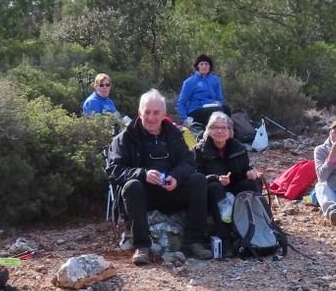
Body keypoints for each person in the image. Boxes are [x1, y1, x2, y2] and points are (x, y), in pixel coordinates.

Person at [107, 89, 212, 265]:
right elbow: (113, 170)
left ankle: (194, 241)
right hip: (143, 196)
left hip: (171, 190)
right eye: (146, 112)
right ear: (139, 112)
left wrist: (176, 176)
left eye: (156, 113)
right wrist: (143, 174)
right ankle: (142, 246)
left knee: (198, 180)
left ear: (164, 114)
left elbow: (188, 161)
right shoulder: (124, 138)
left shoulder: (174, 134)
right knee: (132, 186)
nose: (151, 117)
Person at [194, 112, 262, 250]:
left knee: (250, 184)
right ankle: (225, 240)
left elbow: (243, 169)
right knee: (215, 188)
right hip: (211, 193)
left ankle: (256, 231)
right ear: (209, 130)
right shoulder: (199, 150)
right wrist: (216, 178)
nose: (219, 131)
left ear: (230, 131)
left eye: (224, 128)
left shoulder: (239, 148)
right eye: (215, 127)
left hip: (233, 187)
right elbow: (196, 176)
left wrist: (250, 172)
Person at [176, 54, 230, 128]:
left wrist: (218, 103)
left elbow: (220, 99)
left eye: (206, 64)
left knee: (226, 108)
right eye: (201, 64)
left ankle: (229, 134)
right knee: (217, 111)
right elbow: (181, 104)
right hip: (196, 110)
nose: (204, 66)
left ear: (209, 66)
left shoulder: (215, 80)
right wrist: (184, 119)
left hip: (214, 108)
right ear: (197, 66)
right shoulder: (189, 82)